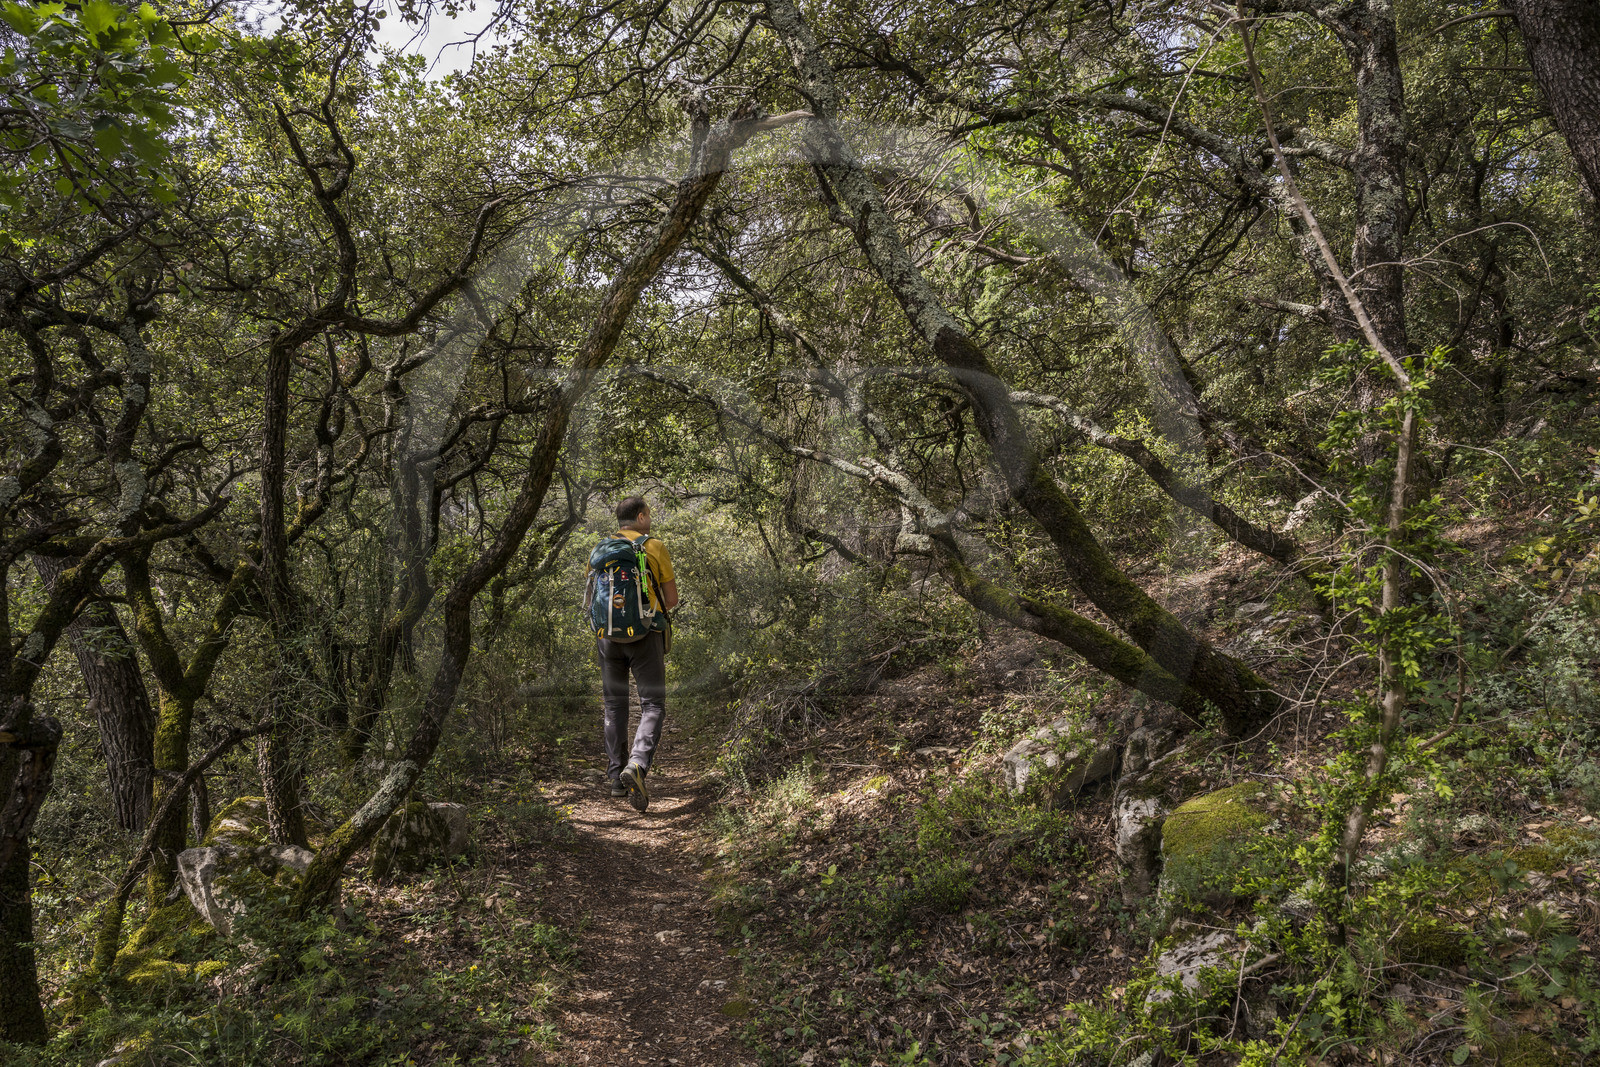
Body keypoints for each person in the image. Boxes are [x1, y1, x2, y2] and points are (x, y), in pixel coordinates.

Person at [587, 495, 677, 812]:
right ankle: (637, 765)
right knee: (652, 703)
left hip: (607, 638)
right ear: (640, 517)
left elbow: (592, 598)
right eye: (648, 515)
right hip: (645, 635)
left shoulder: (600, 548)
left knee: (614, 706)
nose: (650, 520)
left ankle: (615, 779)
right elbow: (672, 598)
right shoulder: (654, 546)